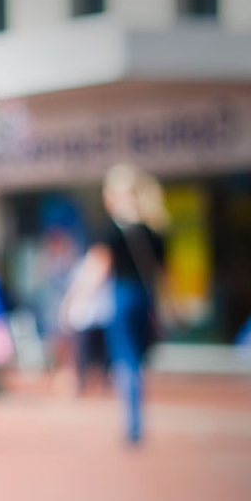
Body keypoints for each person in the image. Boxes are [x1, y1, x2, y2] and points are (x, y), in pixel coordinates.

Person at [61, 163, 168, 445]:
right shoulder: (154, 231)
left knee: (127, 360)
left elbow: (98, 268)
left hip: (122, 297)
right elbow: (164, 275)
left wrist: (75, 298)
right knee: (137, 363)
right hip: (146, 298)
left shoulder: (110, 231)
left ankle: (133, 425)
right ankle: (136, 420)